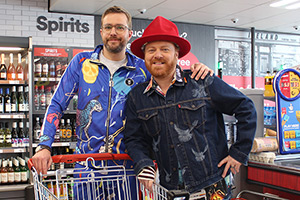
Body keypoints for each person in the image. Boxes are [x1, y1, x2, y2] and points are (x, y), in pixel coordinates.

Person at [31, 6, 213, 199]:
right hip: (87, 167)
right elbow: (57, 103)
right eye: (108, 27)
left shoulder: (143, 68)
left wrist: (196, 72)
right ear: (101, 32)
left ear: (129, 33)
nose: (113, 33)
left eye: (120, 27)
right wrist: (45, 145)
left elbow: (170, 77)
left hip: (129, 168)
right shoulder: (82, 62)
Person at [124, 16, 257, 199]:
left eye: (165, 49)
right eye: (151, 50)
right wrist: (143, 163)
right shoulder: (137, 97)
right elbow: (133, 138)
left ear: (177, 54)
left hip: (212, 186)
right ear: (144, 55)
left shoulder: (202, 81)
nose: (158, 55)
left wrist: (239, 152)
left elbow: (245, 107)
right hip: (171, 190)